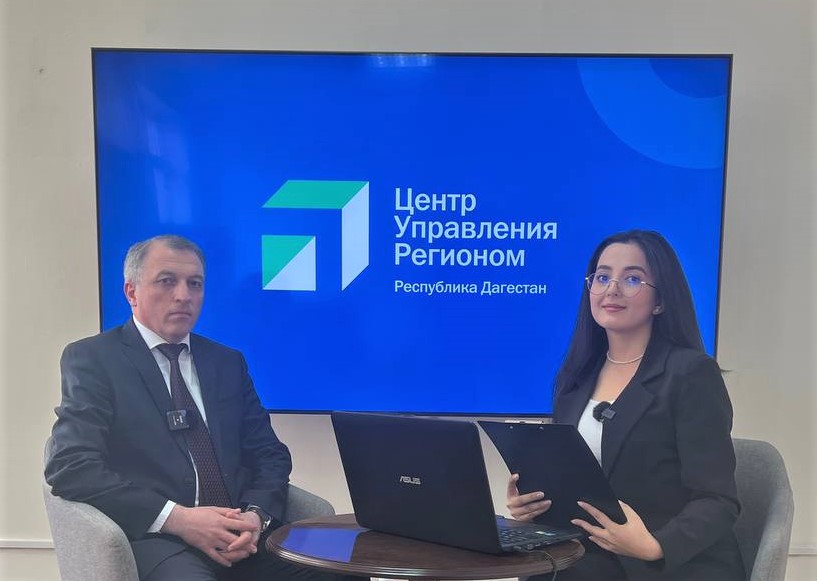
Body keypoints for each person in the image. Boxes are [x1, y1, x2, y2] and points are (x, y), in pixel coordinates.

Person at [45, 235, 340, 581]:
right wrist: (179, 519)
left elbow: (269, 454)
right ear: (131, 292)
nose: (183, 295)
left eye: (195, 284)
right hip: (161, 540)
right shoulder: (94, 359)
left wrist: (255, 517)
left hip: (241, 534)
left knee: (340, 566)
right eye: (167, 281)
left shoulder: (227, 362)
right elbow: (71, 466)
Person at [506, 230, 745, 581]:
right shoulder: (576, 377)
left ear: (660, 301)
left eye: (632, 279)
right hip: (590, 557)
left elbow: (718, 501)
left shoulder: (690, 374)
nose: (612, 289)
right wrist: (533, 505)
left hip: (671, 565)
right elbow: (576, 483)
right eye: (602, 277)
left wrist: (654, 546)